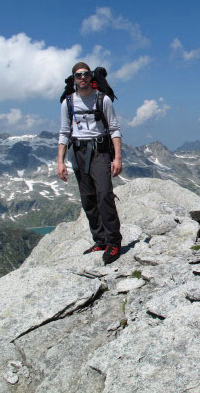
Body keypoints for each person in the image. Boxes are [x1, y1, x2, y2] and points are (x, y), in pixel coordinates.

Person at [57, 61, 123, 264]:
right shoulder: (67, 103)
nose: (82, 77)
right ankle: (100, 240)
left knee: (104, 195)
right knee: (88, 199)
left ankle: (113, 242)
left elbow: (114, 129)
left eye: (86, 74)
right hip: (78, 154)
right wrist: (60, 161)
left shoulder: (103, 100)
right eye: (78, 75)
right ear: (74, 79)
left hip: (99, 152)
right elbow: (64, 132)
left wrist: (118, 158)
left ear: (91, 77)